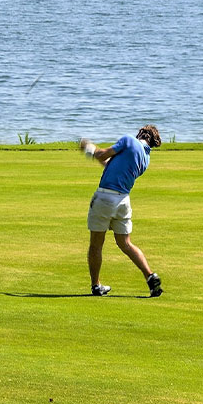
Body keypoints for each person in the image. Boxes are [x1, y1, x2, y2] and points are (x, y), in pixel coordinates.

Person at [79, 125, 163, 297]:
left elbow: (102, 154)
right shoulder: (146, 158)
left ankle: (96, 285)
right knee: (125, 243)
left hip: (104, 197)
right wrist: (93, 153)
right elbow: (110, 164)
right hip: (123, 201)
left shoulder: (128, 140)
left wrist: (88, 148)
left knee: (96, 244)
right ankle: (150, 276)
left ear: (141, 133)